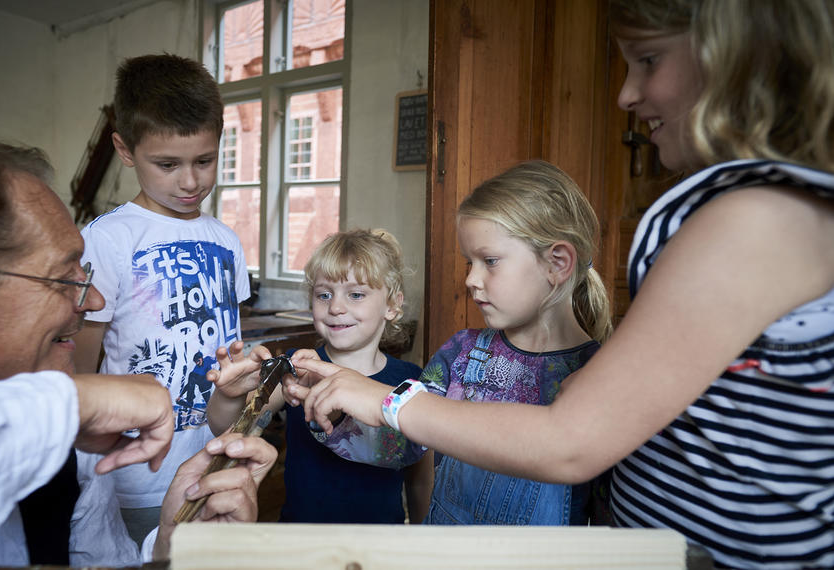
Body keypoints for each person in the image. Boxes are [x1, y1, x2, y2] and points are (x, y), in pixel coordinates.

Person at [290, 0, 834, 566]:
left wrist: (386, 400)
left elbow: (570, 444)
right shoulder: (464, 353)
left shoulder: (755, 219)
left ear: (740, 58)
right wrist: (339, 410)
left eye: (649, 59)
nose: (626, 94)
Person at [0, 133, 275, 569]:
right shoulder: (52, 417)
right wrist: (75, 401)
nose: (95, 301)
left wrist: (171, 550)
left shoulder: (72, 445)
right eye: (63, 278)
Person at [288, 163, 611, 526]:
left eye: (489, 261)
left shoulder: (600, 375)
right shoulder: (461, 353)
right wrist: (332, 416)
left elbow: (603, 514)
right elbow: (402, 447)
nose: (471, 279)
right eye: (468, 263)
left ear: (557, 263)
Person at [72, 53, 251, 545]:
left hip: (215, 459)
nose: (190, 181)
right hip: (136, 476)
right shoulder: (106, 240)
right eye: (167, 164)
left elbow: (230, 349)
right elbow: (80, 374)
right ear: (125, 150)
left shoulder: (227, 241)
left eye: (204, 161)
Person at [210, 229, 430, 523]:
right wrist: (229, 395)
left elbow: (420, 478)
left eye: (355, 295)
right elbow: (229, 427)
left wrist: (420, 533)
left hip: (380, 544)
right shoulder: (296, 368)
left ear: (392, 305)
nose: (336, 308)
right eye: (324, 295)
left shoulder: (410, 381)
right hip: (300, 540)